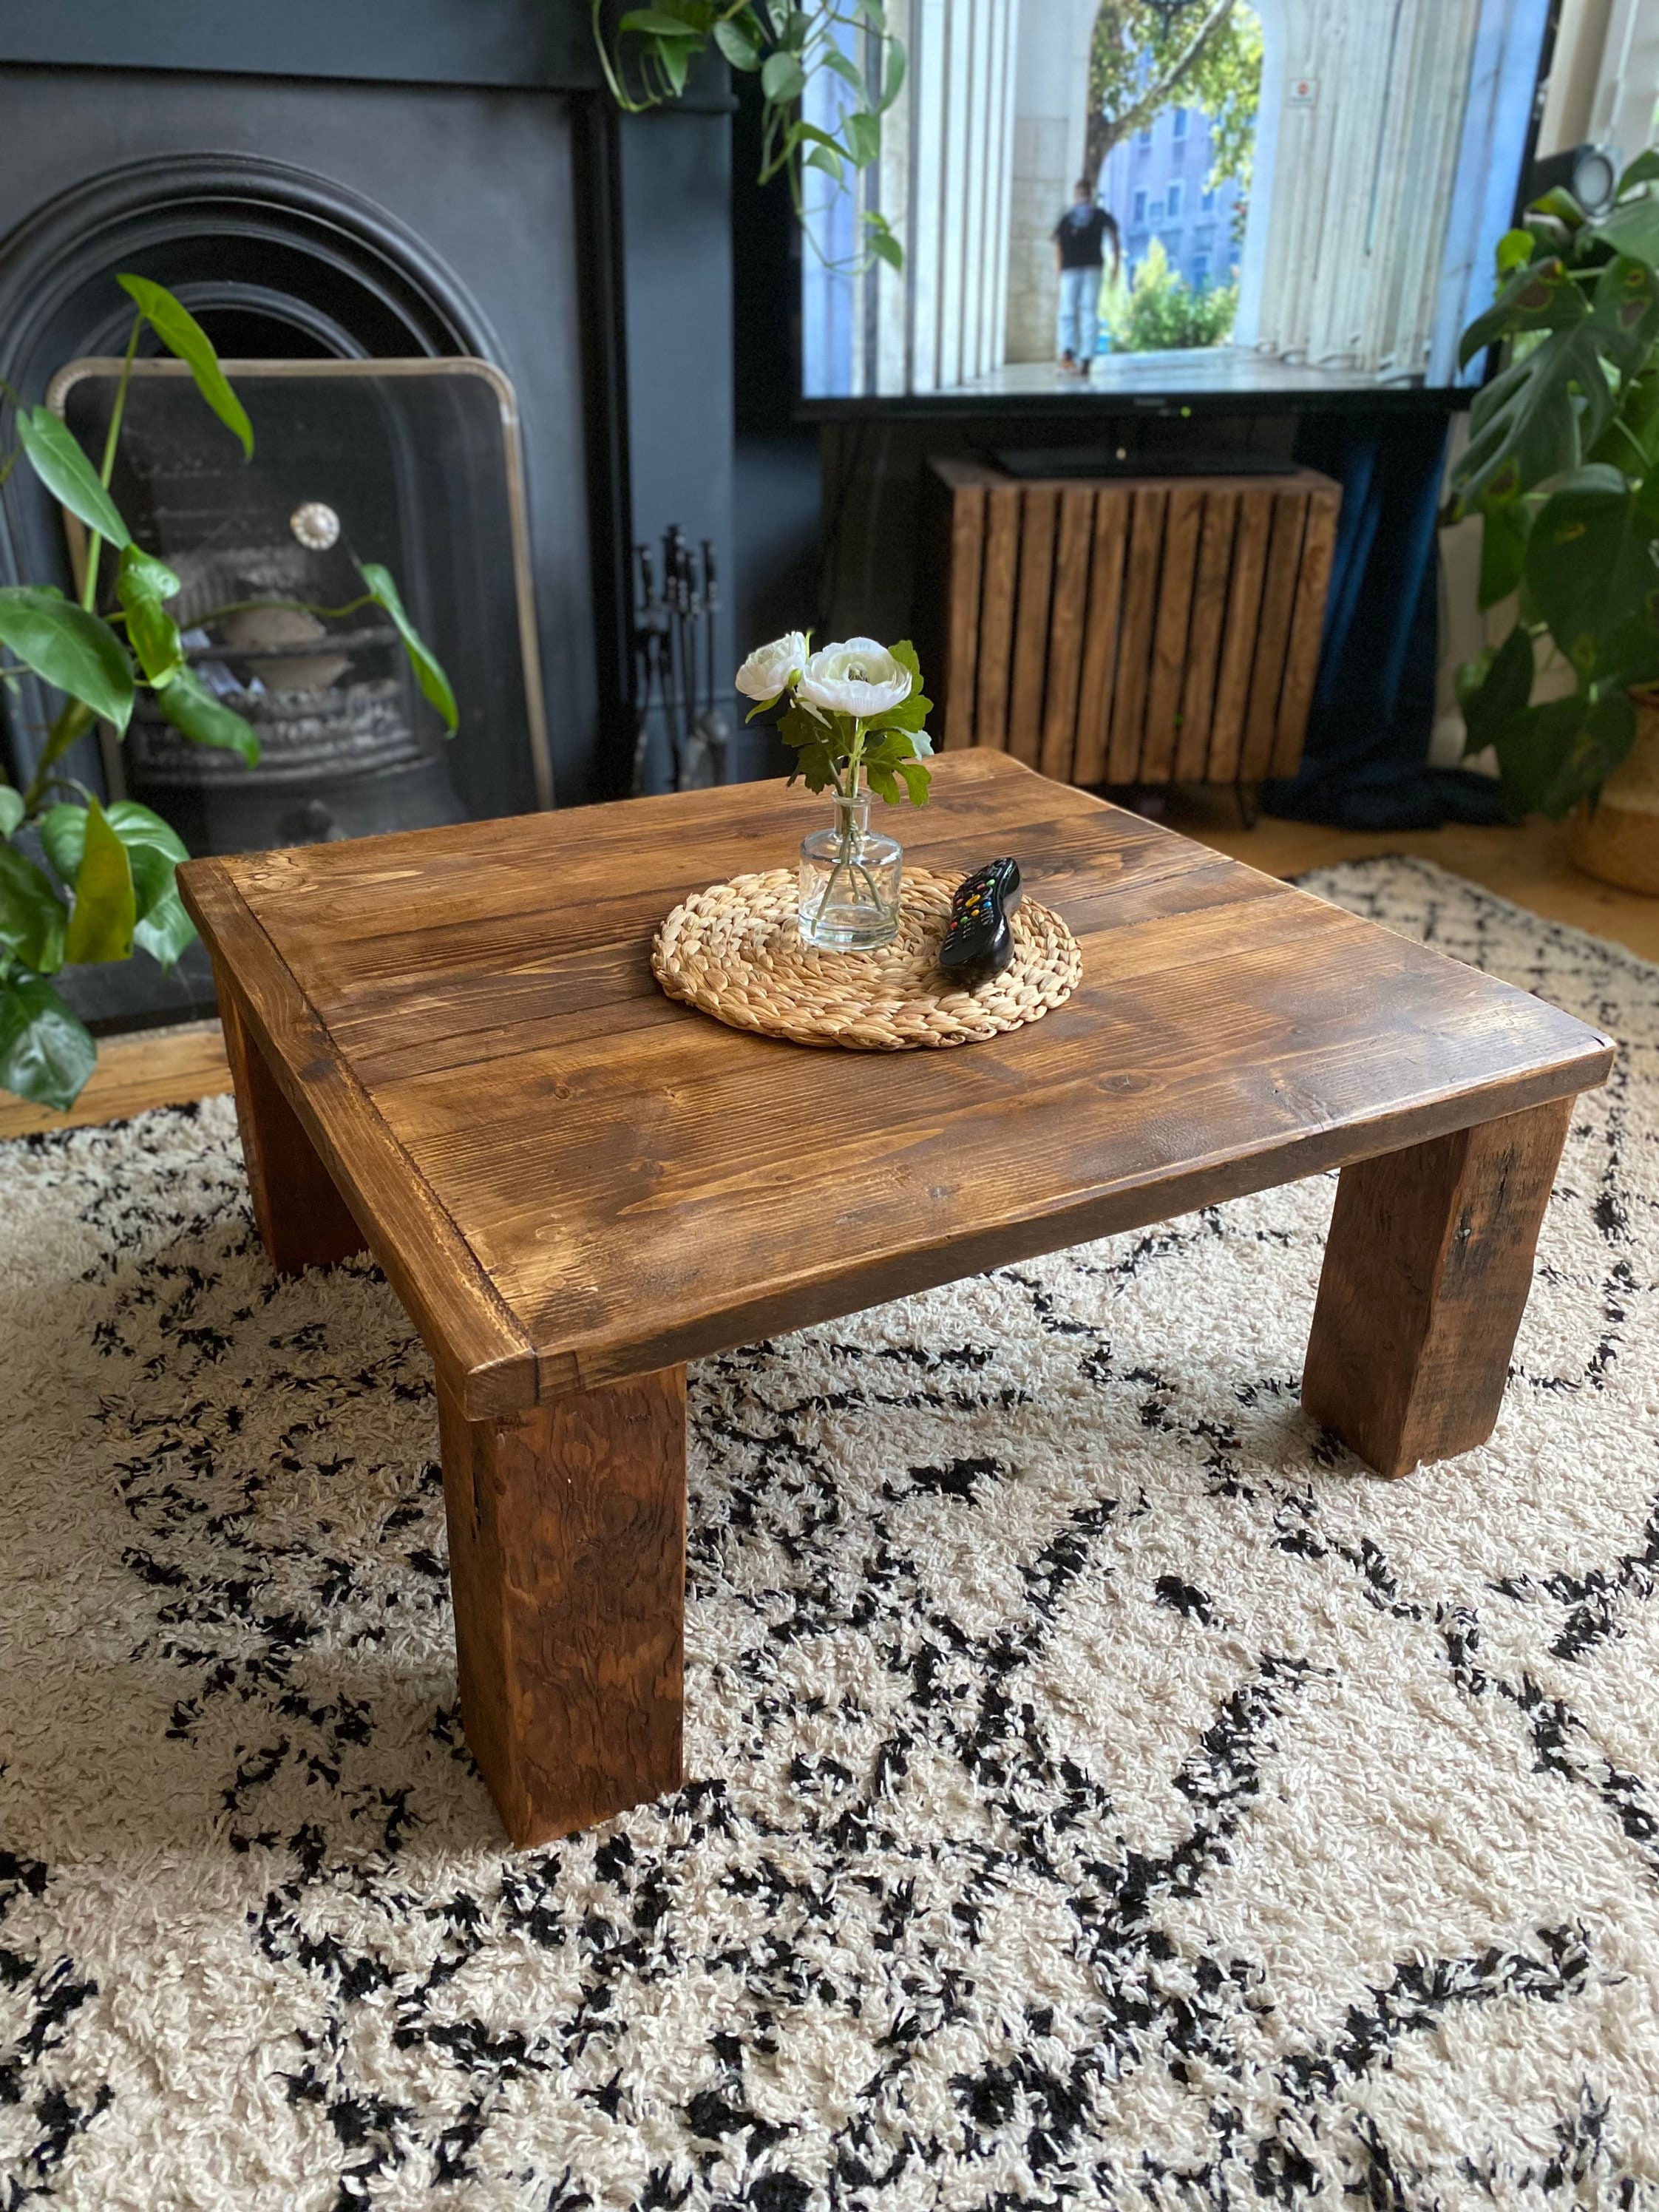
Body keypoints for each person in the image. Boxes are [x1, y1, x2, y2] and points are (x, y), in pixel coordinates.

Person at [1052, 180, 1120, 376]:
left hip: (1086, 269)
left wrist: (1116, 264)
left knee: (1084, 311)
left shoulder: (1093, 216)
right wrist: (1058, 267)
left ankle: (1083, 356)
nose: (1082, 198)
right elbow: (1058, 243)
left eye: (1084, 193)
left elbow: (1114, 236)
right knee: (1071, 312)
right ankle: (1071, 353)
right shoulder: (1072, 217)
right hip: (1075, 269)